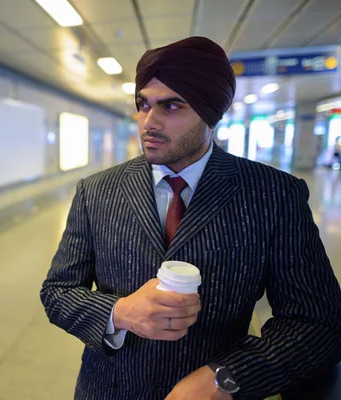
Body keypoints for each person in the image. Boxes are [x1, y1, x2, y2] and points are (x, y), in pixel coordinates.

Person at [40, 36, 341, 400]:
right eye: (143, 104)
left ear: (210, 112)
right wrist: (119, 312)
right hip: (108, 389)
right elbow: (57, 292)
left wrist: (226, 378)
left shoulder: (273, 195)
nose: (148, 122)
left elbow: (318, 323)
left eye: (171, 106)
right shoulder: (98, 190)